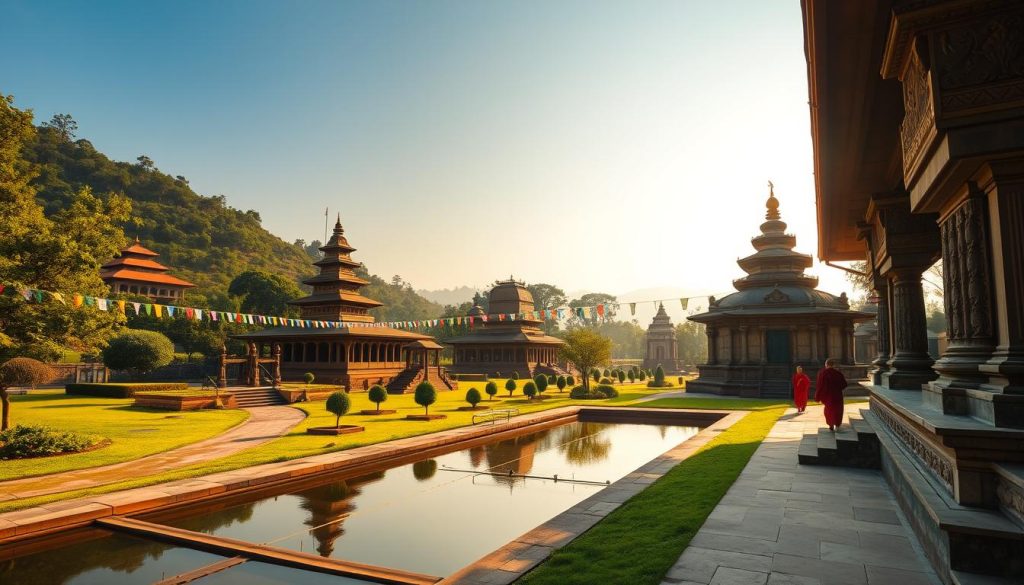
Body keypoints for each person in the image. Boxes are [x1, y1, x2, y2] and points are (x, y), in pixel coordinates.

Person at [815, 357, 847, 431]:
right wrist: (838, 389)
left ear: (826, 364)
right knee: (838, 410)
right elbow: (844, 384)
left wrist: (818, 397)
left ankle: (831, 424)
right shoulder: (838, 373)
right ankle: (837, 424)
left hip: (827, 396)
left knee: (829, 410)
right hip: (837, 396)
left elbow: (820, 386)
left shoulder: (822, 373)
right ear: (833, 365)